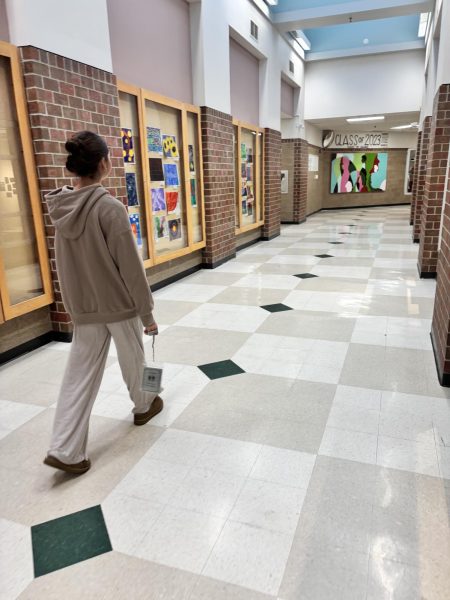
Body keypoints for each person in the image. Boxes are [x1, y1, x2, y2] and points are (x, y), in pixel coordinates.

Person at [44, 130, 163, 475]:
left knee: (78, 376)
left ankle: (65, 449)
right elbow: (130, 268)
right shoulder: (109, 209)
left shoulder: (61, 209)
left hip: (84, 309)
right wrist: (147, 315)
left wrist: (73, 307)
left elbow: (63, 265)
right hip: (119, 305)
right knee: (133, 359)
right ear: (103, 164)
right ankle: (143, 405)